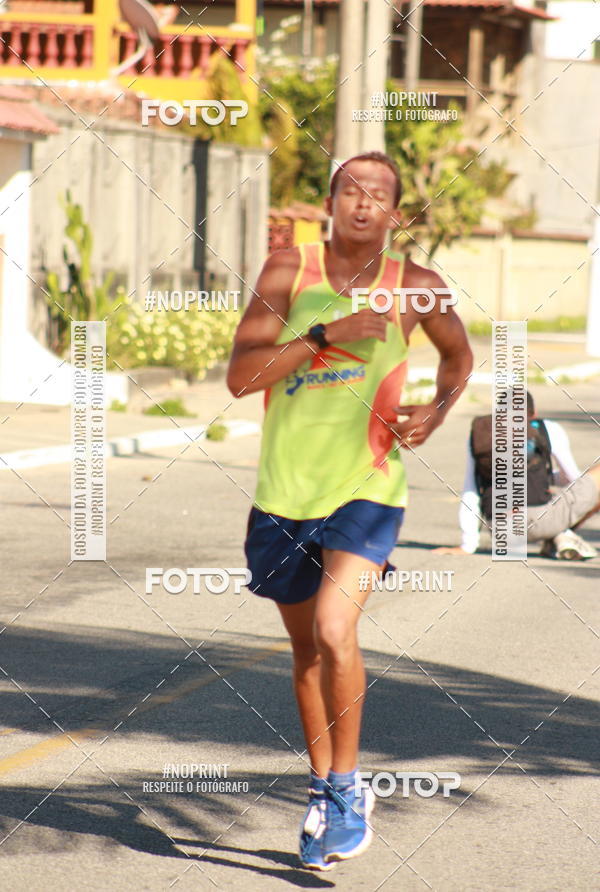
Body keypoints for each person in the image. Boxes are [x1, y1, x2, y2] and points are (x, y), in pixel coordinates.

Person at [227, 151, 473, 870]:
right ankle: (321, 786)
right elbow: (241, 377)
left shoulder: (417, 286)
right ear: (330, 202)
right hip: (283, 492)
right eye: (351, 191)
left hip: (368, 485)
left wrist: (437, 409)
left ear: (396, 212)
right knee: (307, 651)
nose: (365, 203)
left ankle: (344, 788)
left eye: (380, 194)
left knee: (336, 629)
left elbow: (458, 359)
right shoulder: (287, 270)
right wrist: (325, 336)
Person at [435, 391, 600, 559]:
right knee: (595, 481)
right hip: (540, 521)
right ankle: (561, 535)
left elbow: (471, 489)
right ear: (533, 414)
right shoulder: (548, 428)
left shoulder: (480, 435)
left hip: (502, 530)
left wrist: (467, 545)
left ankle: (559, 537)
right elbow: (573, 479)